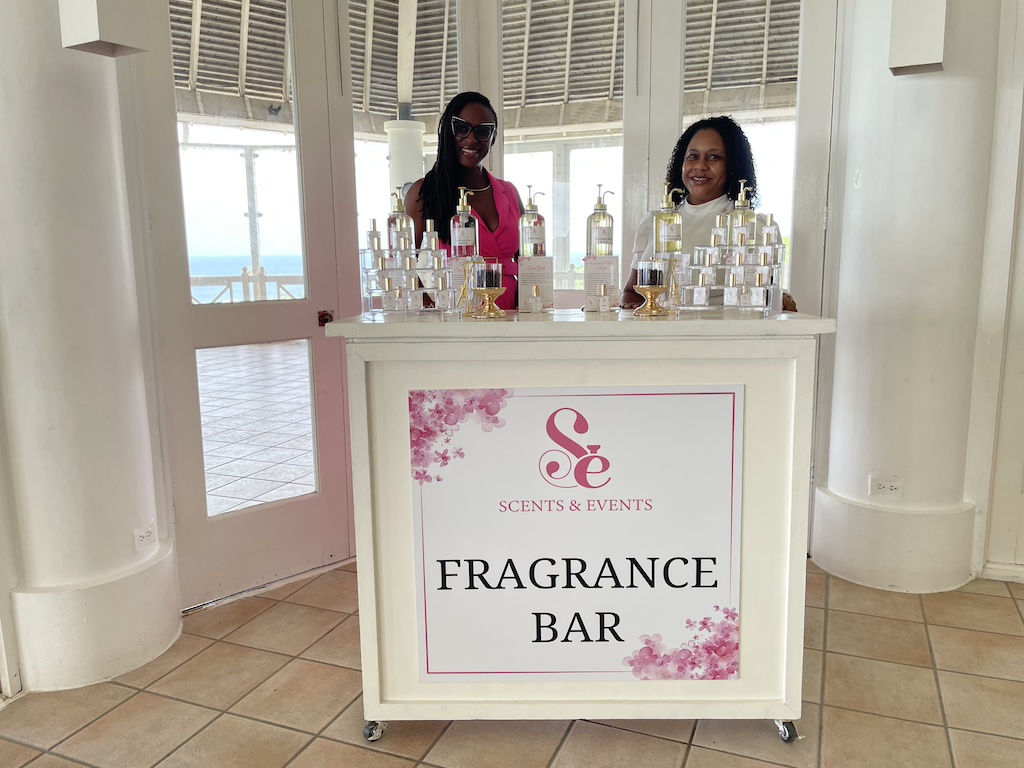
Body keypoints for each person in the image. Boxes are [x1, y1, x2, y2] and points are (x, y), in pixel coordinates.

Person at [620, 115, 796, 311]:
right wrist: (630, 305)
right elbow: (631, 291)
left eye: (714, 157)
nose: (700, 166)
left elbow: (772, 296)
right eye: (693, 156)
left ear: (732, 165)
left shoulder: (754, 227)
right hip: (656, 337)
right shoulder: (654, 221)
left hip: (722, 338)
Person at [405, 91, 524, 309]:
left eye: (483, 131)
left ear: (493, 137)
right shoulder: (425, 192)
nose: (471, 139)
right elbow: (406, 267)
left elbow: (528, 263)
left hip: (510, 318)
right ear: (447, 132)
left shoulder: (510, 193)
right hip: (455, 319)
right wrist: (435, 311)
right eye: (462, 129)